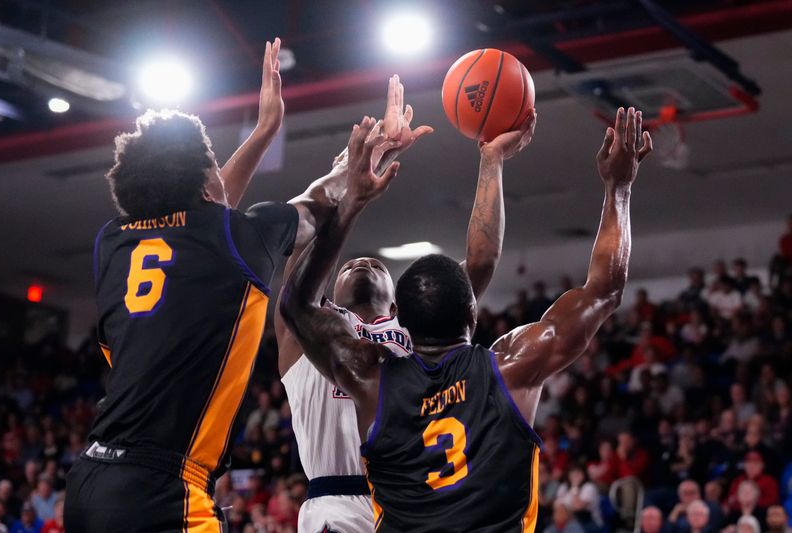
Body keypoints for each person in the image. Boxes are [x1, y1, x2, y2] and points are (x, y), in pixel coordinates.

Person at [280, 107, 652, 530]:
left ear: (402, 326)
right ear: (473, 310)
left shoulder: (371, 376)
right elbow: (604, 289)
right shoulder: (511, 367)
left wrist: (351, 197)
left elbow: (294, 302)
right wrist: (618, 189)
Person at [64, 39, 349, 532]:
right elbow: (314, 208)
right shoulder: (239, 234)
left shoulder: (111, 244)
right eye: (214, 165)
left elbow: (205, 225)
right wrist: (349, 171)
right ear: (204, 184)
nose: (221, 174)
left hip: (90, 480)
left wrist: (264, 132)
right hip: (162, 490)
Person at [275, 77, 530, 532]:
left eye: (376, 265)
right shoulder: (313, 331)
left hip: (409, 499)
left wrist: (491, 163)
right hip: (336, 501)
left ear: (403, 304)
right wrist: (354, 169)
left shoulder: (420, 336)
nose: (366, 262)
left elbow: (480, 263)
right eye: (351, 264)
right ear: (333, 292)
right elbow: (300, 263)